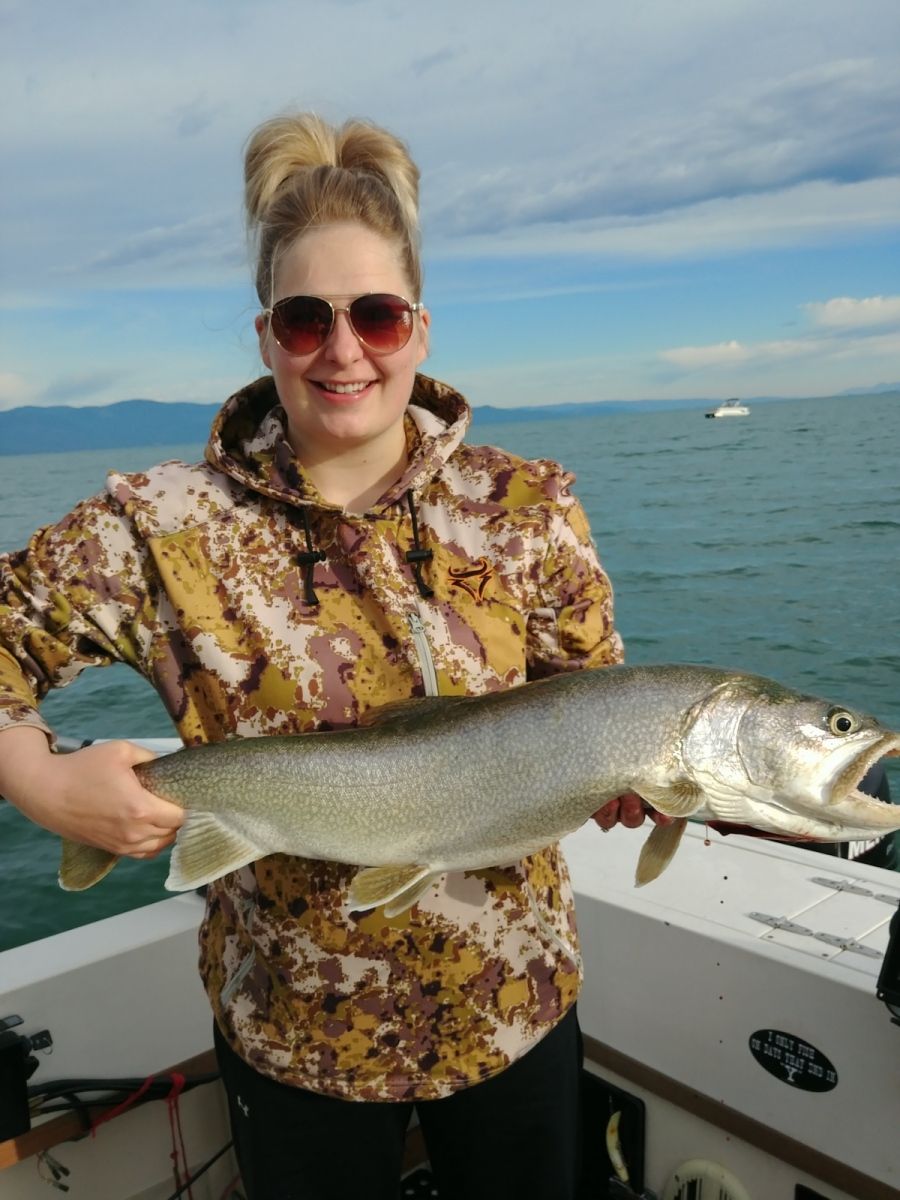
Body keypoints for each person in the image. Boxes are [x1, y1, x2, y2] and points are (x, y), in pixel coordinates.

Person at [0, 112, 660, 1200]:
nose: (344, 350)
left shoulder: (526, 508)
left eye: (377, 316)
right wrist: (39, 779)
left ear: (421, 329)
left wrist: (633, 782)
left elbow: (593, 705)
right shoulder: (158, 525)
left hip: (516, 1009)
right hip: (290, 1033)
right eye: (308, 320)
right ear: (267, 337)